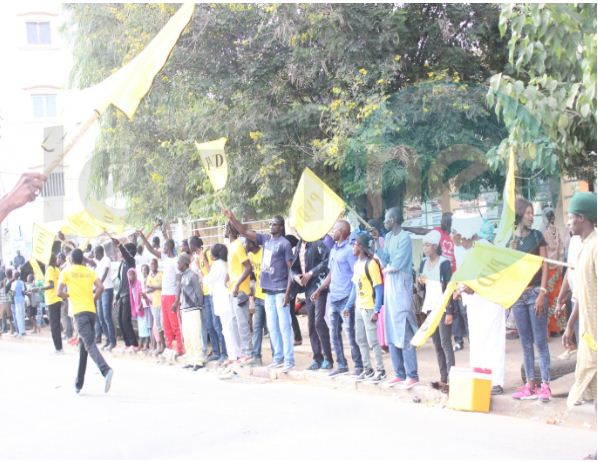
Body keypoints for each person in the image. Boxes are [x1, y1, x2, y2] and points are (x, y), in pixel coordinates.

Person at [224, 210, 295, 373]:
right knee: (272, 327)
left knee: (284, 326)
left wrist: (287, 294)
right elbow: (243, 232)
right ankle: (278, 358)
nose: (271, 226)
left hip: (280, 290)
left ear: (281, 227)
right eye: (270, 223)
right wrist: (232, 218)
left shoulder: (285, 244)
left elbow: (291, 271)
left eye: (274, 224)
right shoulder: (265, 240)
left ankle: (289, 359)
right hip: (268, 291)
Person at [453, 221, 506, 395]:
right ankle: (481, 379)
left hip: (489, 302)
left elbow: (489, 277)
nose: (453, 236)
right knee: (477, 342)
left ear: (464, 234)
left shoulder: (485, 249)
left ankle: (496, 381)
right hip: (475, 304)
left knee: (492, 341)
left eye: (456, 232)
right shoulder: (469, 251)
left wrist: (471, 288)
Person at [372, 207, 419, 389]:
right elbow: (384, 259)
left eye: (386, 218)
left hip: (400, 285)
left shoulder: (405, 238)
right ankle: (399, 373)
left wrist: (386, 267)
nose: (384, 221)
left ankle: (412, 374)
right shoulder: (389, 238)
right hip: (390, 286)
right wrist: (377, 241)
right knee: (391, 330)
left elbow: (397, 263)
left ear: (393, 220)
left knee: (404, 330)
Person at [509, 198, 551, 402]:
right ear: (518, 215)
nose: (531, 216)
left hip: (535, 293)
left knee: (540, 342)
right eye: (527, 213)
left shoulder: (537, 236)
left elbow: (545, 265)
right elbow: (509, 269)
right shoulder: (512, 241)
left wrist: (542, 292)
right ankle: (530, 385)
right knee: (525, 342)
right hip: (519, 296)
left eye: (532, 213)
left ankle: (545, 385)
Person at [311, 220, 363, 378]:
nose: (333, 231)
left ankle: (359, 366)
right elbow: (332, 274)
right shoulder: (333, 250)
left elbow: (356, 275)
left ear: (342, 231)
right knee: (334, 334)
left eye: (335, 229)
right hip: (333, 298)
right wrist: (319, 289)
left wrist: (352, 300)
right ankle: (341, 364)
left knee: (350, 334)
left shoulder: (349, 251)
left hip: (346, 298)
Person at [57, 249, 113, 394]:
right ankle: (78, 383)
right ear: (82, 259)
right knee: (84, 347)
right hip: (91, 311)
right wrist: (93, 300)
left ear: (71, 259)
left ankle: (106, 370)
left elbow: (58, 293)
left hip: (79, 313)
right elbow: (101, 287)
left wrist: (68, 295)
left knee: (89, 344)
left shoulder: (67, 271)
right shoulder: (89, 271)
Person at [563, 192, 596, 409]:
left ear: (582, 218)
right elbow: (582, 294)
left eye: (571, 216)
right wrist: (570, 325)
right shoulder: (582, 247)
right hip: (588, 334)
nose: (568, 222)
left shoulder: (595, 247)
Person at [343, 232, 386, 382]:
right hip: (359, 307)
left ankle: (380, 370)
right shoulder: (356, 265)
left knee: (373, 340)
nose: (352, 247)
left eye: (354, 244)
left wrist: (377, 309)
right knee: (360, 339)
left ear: (360, 246)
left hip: (369, 308)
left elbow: (379, 288)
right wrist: (348, 306)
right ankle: (368, 369)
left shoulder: (371, 264)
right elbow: (355, 288)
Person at [418, 230, 455, 393]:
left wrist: (449, 311)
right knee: (437, 344)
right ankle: (443, 377)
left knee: (446, 342)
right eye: (423, 245)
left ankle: (452, 378)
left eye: (427, 245)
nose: (424, 248)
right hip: (430, 307)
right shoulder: (423, 263)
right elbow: (421, 286)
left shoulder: (444, 263)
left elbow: (448, 287)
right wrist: (420, 282)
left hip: (442, 306)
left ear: (435, 246)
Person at [290, 236, 333, 371]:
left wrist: (311, 273)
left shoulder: (317, 242)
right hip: (308, 289)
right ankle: (317, 358)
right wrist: (296, 277)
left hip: (320, 286)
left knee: (319, 322)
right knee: (311, 324)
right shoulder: (299, 245)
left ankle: (328, 358)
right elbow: (293, 267)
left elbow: (327, 261)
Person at [138, 233, 184, 358]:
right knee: (166, 324)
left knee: (175, 323)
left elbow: (179, 281)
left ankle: (180, 349)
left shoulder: (177, 261)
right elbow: (151, 249)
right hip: (163, 296)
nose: (162, 247)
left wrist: (176, 300)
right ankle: (169, 347)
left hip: (171, 296)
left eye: (164, 245)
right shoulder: (165, 258)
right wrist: (142, 237)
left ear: (169, 247)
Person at [223, 222, 253, 363]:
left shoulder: (239, 246)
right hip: (232, 290)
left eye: (225, 226)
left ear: (230, 229)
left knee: (242, 323)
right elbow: (234, 267)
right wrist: (228, 276)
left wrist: (237, 284)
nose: (224, 228)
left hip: (240, 290)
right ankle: (241, 353)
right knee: (234, 323)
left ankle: (249, 352)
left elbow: (248, 267)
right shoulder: (231, 246)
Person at [204, 243, 239, 363]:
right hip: (224, 298)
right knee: (229, 328)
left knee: (227, 329)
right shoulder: (224, 263)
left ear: (214, 255)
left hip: (222, 299)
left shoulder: (217, 265)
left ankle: (232, 356)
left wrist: (200, 272)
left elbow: (208, 279)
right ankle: (234, 354)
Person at [190, 236, 222, 362]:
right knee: (209, 325)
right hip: (205, 294)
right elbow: (202, 276)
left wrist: (203, 261)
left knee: (216, 324)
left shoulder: (207, 253)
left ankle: (223, 353)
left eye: (189, 243)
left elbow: (211, 273)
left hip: (212, 293)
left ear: (193, 244)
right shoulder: (198, 257)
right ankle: (215, 351)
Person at [175, 253, 205, 371]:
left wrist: (198, 305)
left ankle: (198, 361)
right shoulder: (181, 276)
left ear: (185, 264)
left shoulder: (192, 275)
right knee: (186, 336)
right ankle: (191, 360)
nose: (177, 264)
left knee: (194, 335)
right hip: (185, 309)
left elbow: (199, 292)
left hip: (193, 309)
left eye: (179, 262)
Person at [541, 208, 565, 337]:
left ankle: (552, 328)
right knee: (559, 297)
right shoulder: (557, 231)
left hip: (548, 270)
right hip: (558, 268)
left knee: (550, 299)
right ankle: (560, 327)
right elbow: (562, 248)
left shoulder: (544, 233)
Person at [111, 239, 139, 351]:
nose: (121, 253)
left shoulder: (131, 261)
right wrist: (116, 297)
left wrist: (119, 245)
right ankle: (128, 343)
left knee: (125, 320)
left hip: (128, 295)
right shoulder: (122, 264)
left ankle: (134, 344)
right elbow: (122, 281)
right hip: (122, 294)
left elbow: (126, 254)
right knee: (120, 319)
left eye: (125, 251)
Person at [245, 239, 269, 366]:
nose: (245, 245)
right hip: (259, 296)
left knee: (271, 328)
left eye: (246, 243)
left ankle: (278, 357)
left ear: (253, 243)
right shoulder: (250, 255)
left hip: (268, 296)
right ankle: (256, 357)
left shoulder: (264, 253)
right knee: (257, 327)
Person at [94, 245, 116, 351]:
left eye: (95, 253)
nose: (94, 255)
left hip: (107, 289)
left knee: (107, 316)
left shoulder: (106, 259)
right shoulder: (98, 263)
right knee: (101, 317)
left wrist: (99, 284)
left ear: (100, 252)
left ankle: (112, 341)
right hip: (100, 291)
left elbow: (105, 272)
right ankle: (107, 340)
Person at [42, 254, 63, 353]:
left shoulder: (50, 269)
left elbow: (51, 285)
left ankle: (58, 348)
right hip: (57, 299)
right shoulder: (57, 269)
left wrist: (39, 288)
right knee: (57, 325)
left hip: (52, 300)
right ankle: (59, 347)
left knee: (54, 326)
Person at [146, 258, 166, 355]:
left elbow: (164, 286)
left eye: (154, 264)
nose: (152, 266)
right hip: (154, 303)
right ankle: (162, 346)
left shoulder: (161, 274)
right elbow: (147, 289)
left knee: (163, 324)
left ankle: (165, 345)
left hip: (163, 302)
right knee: (158, 325)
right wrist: (154, 288)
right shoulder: (149, 276)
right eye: (151, 264)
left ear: (157, 265)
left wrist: (154, 287)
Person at [128, 268, 149, 352]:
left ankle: (146, 343)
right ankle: (141, 343)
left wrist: (140, 305)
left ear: (135, 274)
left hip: (142, 307)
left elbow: (141, 294)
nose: (130, 276)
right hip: (137, 308)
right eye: (129, 275)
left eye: (132, 274)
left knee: (145, 325)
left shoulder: (138, 283)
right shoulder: (131, 285)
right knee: (141, 326)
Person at [12, 271, 26, 337]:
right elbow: (23, 292)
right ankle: (24, 331)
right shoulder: (22, 282)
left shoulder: (13, 283)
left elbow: (13, 293)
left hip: (17, 300)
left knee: (18, 316)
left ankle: (21, 331)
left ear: (14, 276)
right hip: (22, 299)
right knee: (23, 315)